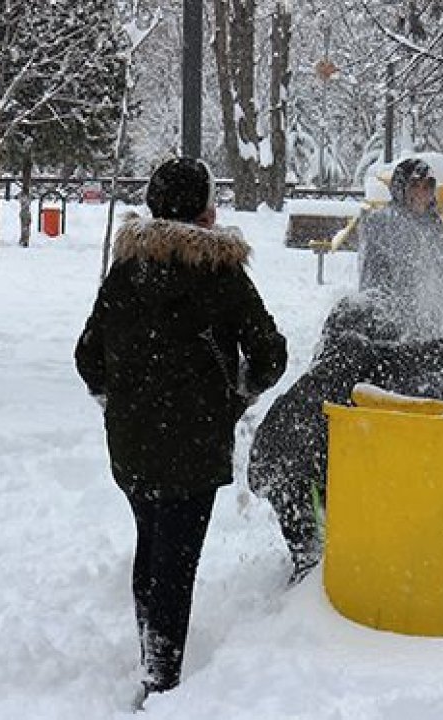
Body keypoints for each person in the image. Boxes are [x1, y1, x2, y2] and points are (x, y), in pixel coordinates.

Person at [74, 157, 288, 699]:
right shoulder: (222, 273)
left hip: (132, 441)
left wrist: (121, 400)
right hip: (194, 441)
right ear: (203, 208)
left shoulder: (126, 269)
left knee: (152, 544)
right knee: (176, 558)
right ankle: (161, 677)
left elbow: (87, 357)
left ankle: (153, 653)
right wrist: (236, 394)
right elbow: (270, 355)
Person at [247, 291, 443, 585]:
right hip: (301, 454)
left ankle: (304, 587)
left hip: (271, 454)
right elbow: (413, 357)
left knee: (304, 536)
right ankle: (316, 598)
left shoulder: (328, 359)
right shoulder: (359, 353)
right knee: (320, 552)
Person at [356, 157, 443, 340]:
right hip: (393, 327)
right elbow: (373, 280)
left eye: (427, 187)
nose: (421, 193)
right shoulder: (383, 222)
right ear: (400, 188)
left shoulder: (435, 226)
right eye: (414, 186)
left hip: (431, 326)